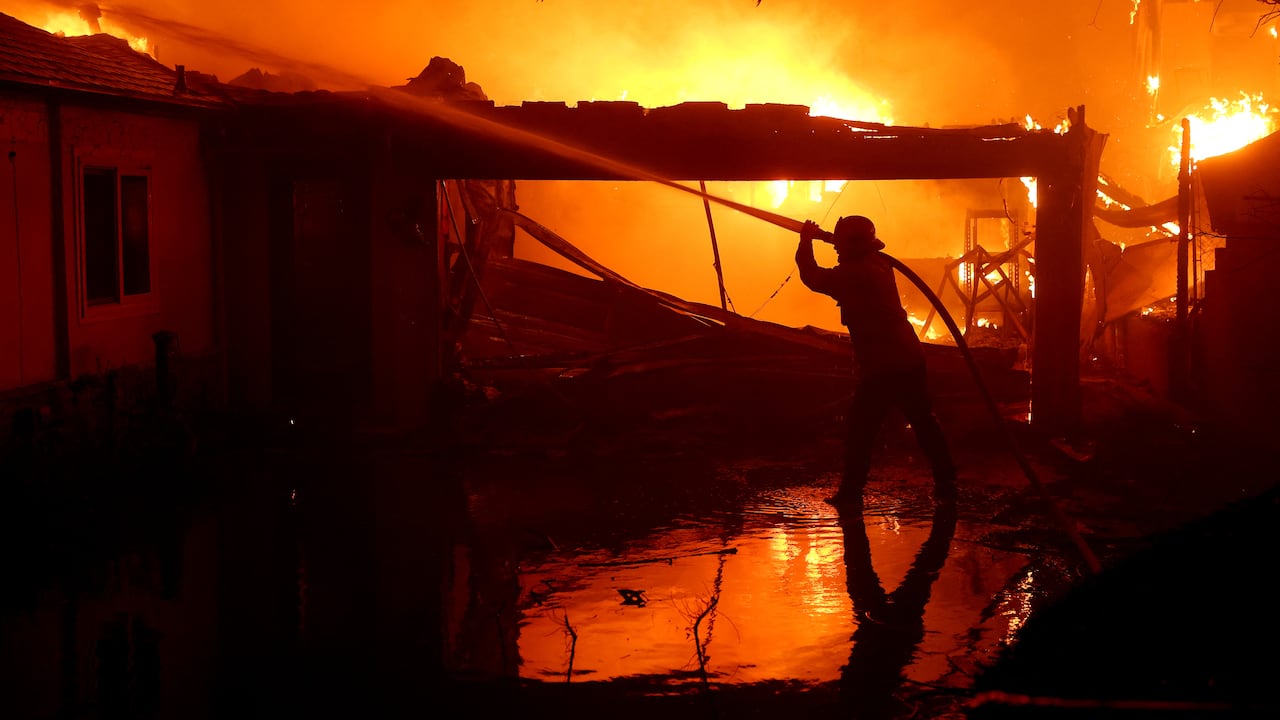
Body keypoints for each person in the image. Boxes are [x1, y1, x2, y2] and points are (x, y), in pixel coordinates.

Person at [796, 216, 957, 508]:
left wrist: (805, 240)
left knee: (861, 430)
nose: (836, 250)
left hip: (886, 365)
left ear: (852, 245)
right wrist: (827, 238)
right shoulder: (876, 263)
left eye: (841, 245)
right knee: (923, 423)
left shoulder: (855, 274)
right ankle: (947, 484)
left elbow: (812, 276)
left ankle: (851, 493)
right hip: (905, 358)